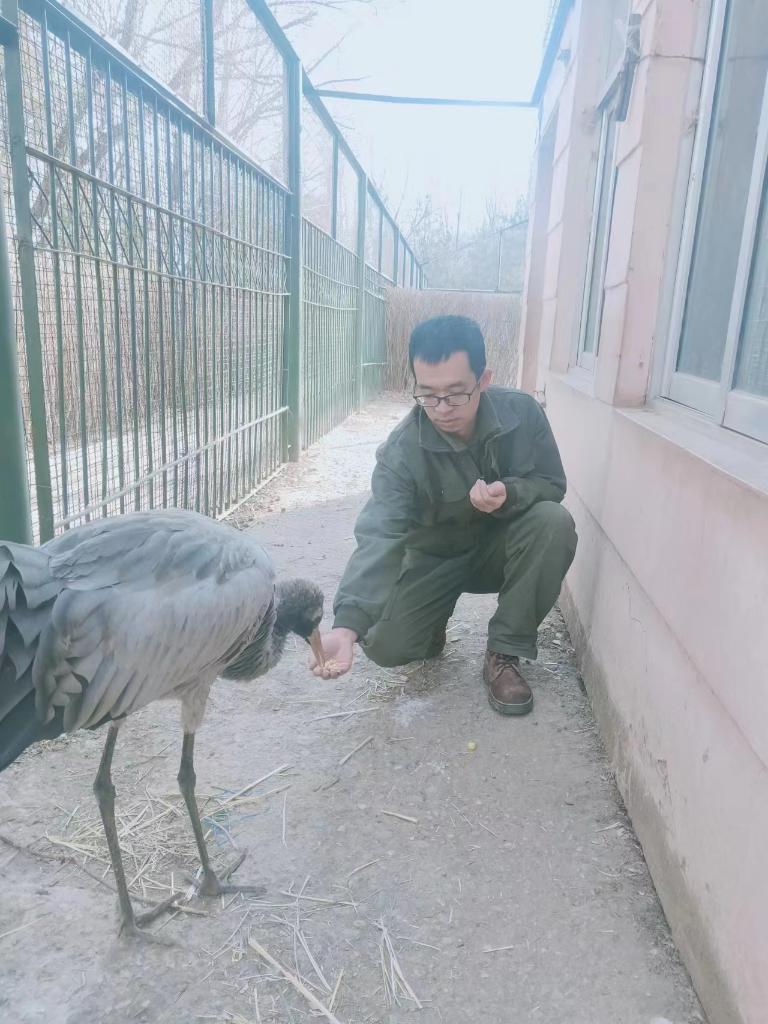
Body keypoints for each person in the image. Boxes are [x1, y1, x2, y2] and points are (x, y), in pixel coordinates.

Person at [310, 315, 577, 715]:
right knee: (386, 646)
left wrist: (512, 493)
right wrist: (346, 626)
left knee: (554, 522)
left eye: (455, 394)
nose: (441, 409)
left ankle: (503, 653)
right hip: (433, 559)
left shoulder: (522, 413)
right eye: (428, 395)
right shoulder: (401, 452)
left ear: (483, 380)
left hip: (500, 551)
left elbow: (551, 483)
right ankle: (429, 627)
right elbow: (379, 535)